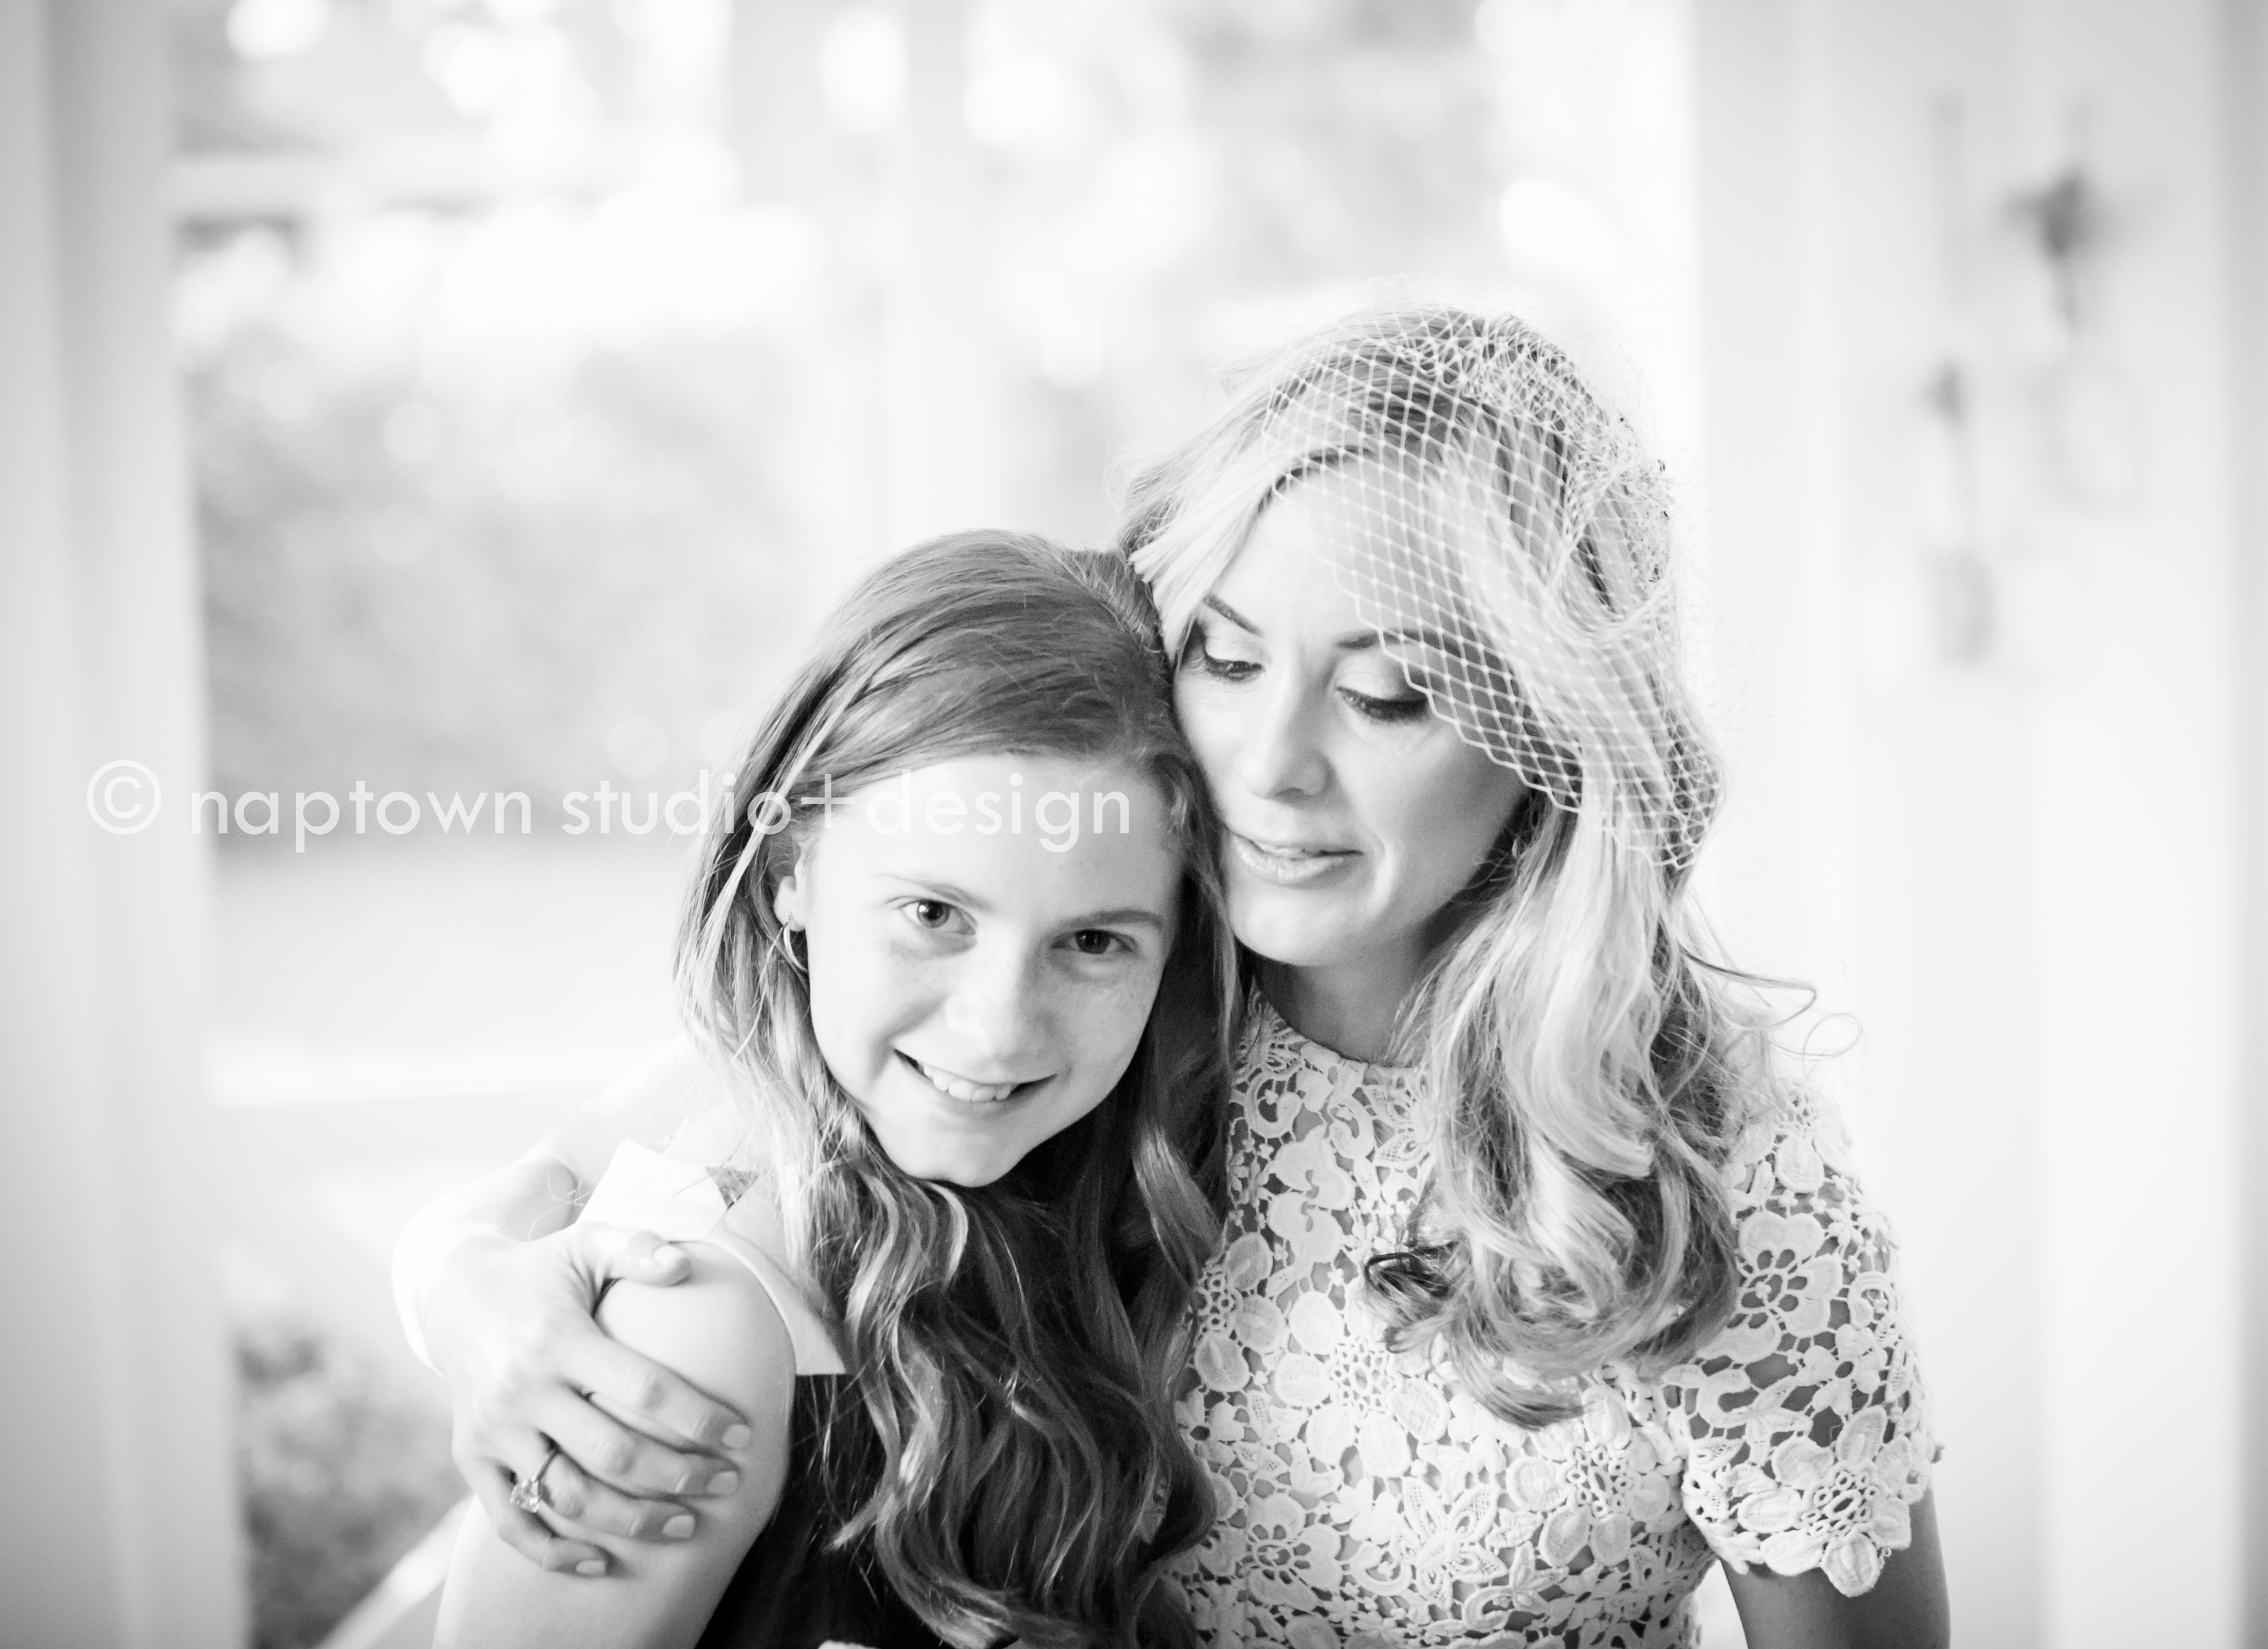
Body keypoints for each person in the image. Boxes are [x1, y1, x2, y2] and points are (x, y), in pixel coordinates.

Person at [397, 305, 1948, 1648]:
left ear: (1548, 732)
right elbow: (639, 1158)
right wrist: (464, 1283)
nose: (1269, 765)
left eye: (1385, 696)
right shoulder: (1086, 997)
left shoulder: (1720, 1179)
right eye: (1225, 657)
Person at [421, 531, 1234, 1649]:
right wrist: (453, 1270)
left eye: (1092, 941)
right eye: (933, 914)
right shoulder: (687, 1332)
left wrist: (447, 1258)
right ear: (789, 873)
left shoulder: (1064, 1177)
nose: (998, 1028)